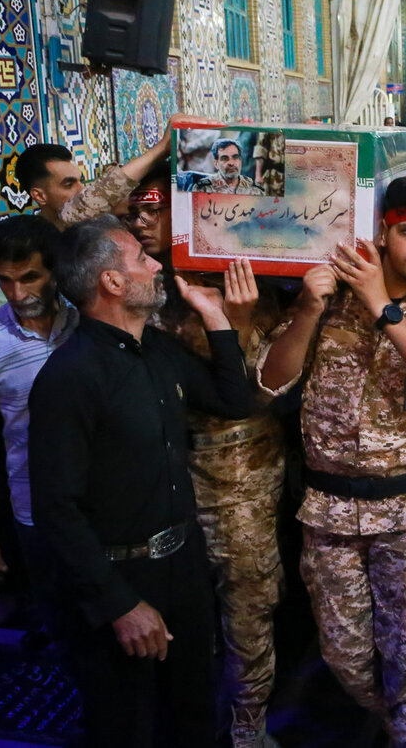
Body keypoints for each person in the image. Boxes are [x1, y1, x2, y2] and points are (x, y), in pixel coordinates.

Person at [257, 176, 406, 748]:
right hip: (330, 514)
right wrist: (309, 309)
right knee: (344, 654)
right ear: (382, 232)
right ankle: (395, 719)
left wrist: (383, 305)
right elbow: (271, 381)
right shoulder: (329, 302)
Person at [28, 216, 255, 748]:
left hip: (183, 568)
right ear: (112, 281)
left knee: (193, 714)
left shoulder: (156, 349)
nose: (156, 265)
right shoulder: (69, 377)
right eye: (141, 259)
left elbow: (233, 401)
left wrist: (216, 316)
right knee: (127, 724)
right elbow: (56, 508)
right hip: (123, 578)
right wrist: (119, 604)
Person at [123, 173, 288, 748]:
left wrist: (235, 323)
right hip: (165, 473)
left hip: (240, 473)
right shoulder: (138, 286)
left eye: (155, 210)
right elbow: (75, 221)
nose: (141, 222)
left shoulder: (242, 279)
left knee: (248, 605)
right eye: (135, 212)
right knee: (178, 610)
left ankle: (248, 727)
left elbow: (260, 390)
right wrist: (162, 151)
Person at [0, 216, 77, 602]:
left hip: (108, 506)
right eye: (5, 280)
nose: (17, 294)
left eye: (30, 278)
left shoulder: (89, 323)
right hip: (35, 513)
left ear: (57, 269)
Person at [18, 114, 201, 230]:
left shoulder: (102, 222)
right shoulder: (33, 237)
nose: (82, 189)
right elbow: (81, 210)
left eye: (81, 180)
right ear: (39, 196)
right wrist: (161, 149)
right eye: (68, 184)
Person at [190, 139, 265, 194]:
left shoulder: (255, 189)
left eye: (235, 157)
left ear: (240, 161)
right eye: (225, 158)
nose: (231, 163)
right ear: (216, 164)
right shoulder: (204, 188)